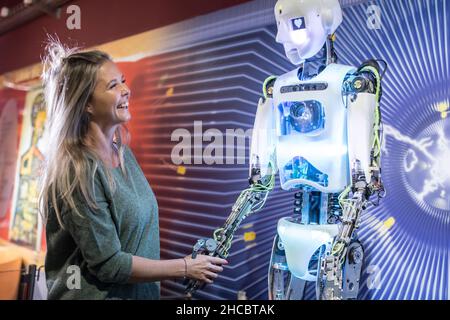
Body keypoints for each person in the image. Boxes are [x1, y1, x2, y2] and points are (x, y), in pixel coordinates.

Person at [39, 38, 227, 300]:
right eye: (113, 85)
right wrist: (185, 267)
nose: (126, 90)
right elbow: (109, 265)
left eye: (123, 80)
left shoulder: (124, 155)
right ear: (87, 104)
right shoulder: (77, 170)